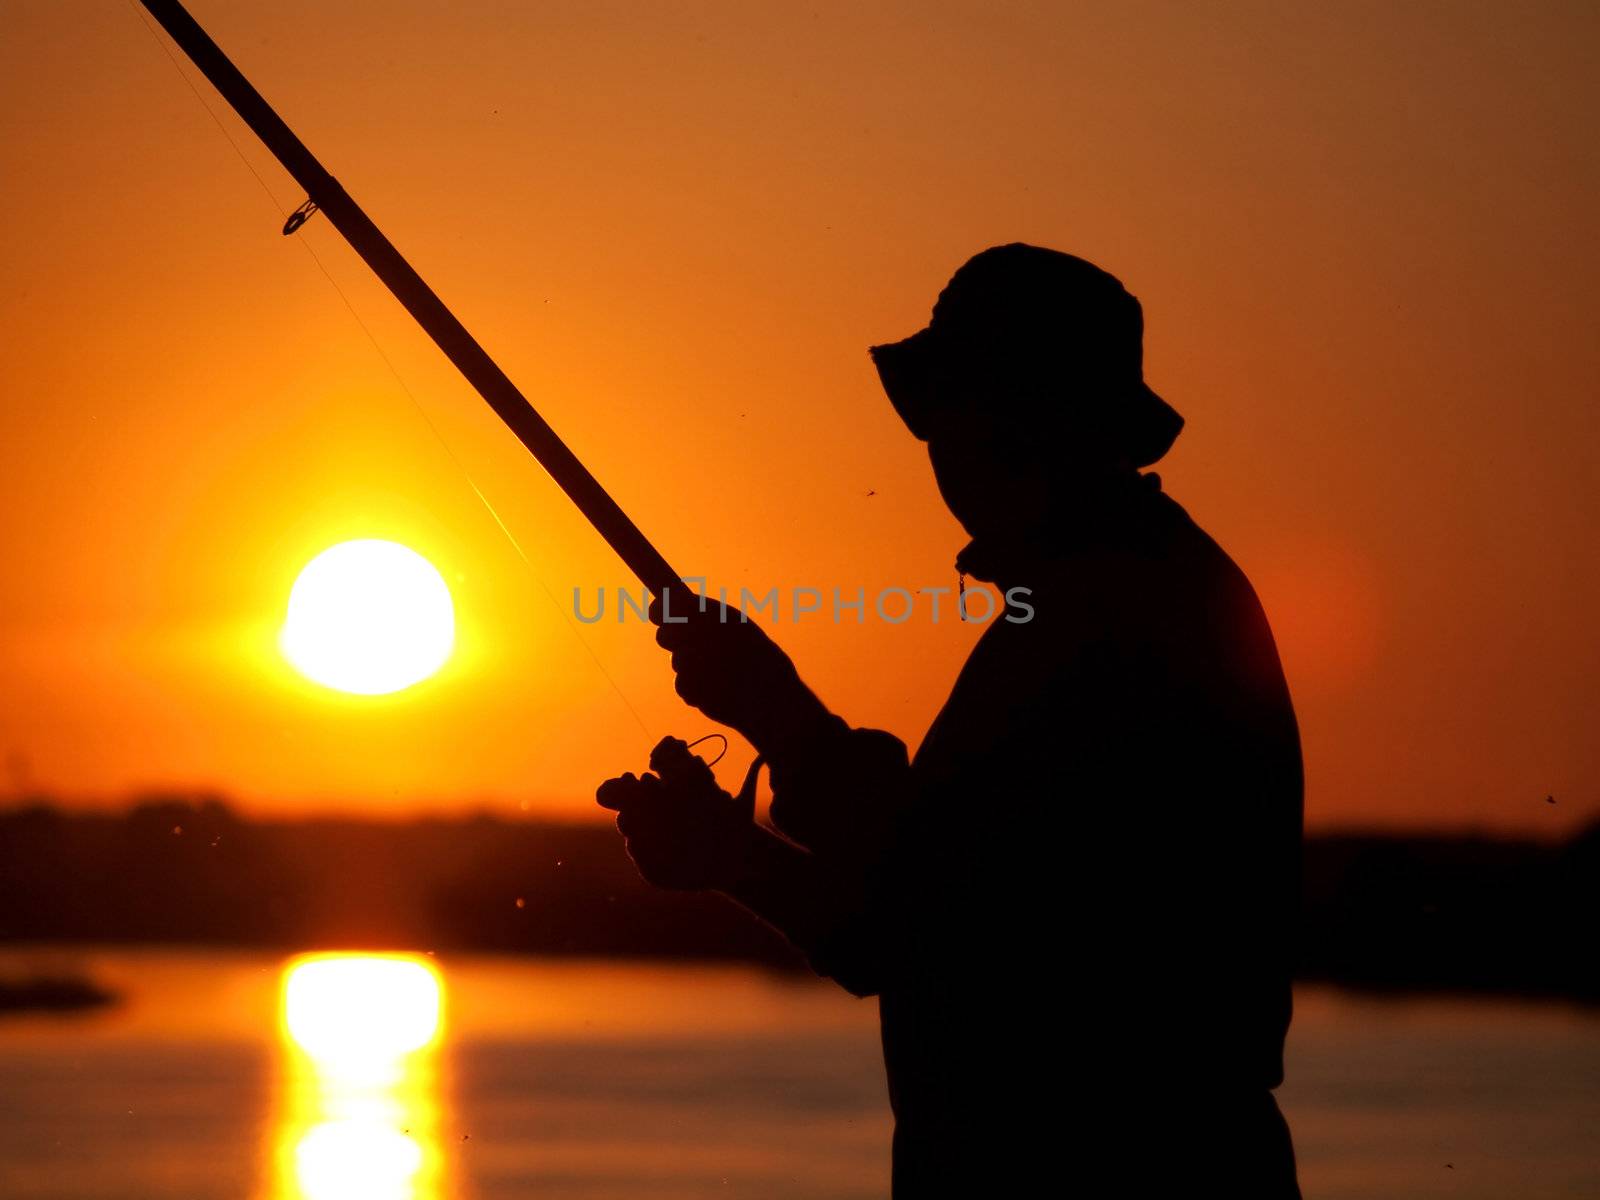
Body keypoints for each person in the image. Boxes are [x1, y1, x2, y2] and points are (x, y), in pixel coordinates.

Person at [597, 244, 1304, 1196]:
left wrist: (779, 710)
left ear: (1022, 420)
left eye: (953, 412)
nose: (941, 452)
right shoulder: (1092, 598)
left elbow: (940, 884)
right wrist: (739, 861)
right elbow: (930, 935)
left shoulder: (1124, 614)